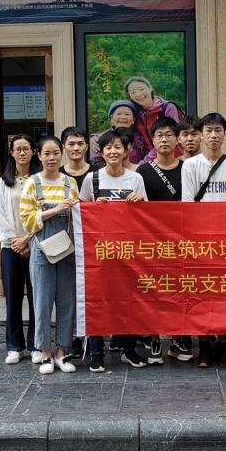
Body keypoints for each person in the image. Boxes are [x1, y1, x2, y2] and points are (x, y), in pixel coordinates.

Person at [79, 128, 150, 372]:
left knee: (128, 301)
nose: (113, 151)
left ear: (126, 150)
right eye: (108, 147)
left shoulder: (135, 178)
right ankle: (97, 352)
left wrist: (140, 201)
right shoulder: (92, 179)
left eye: (118, 147)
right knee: (97, 300)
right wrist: (93, 206)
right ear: (101, 151)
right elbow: (81, 212)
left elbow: (148, 214)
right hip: (99, 252)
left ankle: (128, 349)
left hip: (128, 251)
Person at [181, 112, 226, 368]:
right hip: (199, 241)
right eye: (208, 131)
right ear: (201, 135)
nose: (213, 135)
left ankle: (223, 343)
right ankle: (205, 345)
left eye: (218, 130)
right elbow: (187, 204)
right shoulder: (190, 165)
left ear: (225, 134)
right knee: (201, 293)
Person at [19, 136, 80, 375]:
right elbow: (26, 220)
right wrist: (53, 211)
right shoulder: (32, 183)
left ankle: (62, 352)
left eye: (56, 153)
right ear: (39, 156)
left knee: (67, 301)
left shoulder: (70, 183)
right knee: (42, 303)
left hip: (66, 250)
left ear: (61, 154)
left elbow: (79, 217)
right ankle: (44, 352)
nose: (52, 158)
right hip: (41, 250)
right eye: (47, 153)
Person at [136, 117, 192, 364]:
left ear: (177, 139)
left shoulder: (188, 168)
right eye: (159, 135)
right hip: (153, 242)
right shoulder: (143, 171)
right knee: (154, 292)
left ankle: (179, 338)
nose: (164, 139)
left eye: (169, 134)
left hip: (183, 240)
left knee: (182, 290)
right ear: (153, 140)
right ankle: (155, 339)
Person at [0, 134, 40, 365]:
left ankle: (36, 344)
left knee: (36, 298)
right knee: (12, 298)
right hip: (11, 248)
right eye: (17, 149)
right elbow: (0, 214)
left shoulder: (40, 180)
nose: (22, 153)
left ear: (33, 151)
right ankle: (14, 346)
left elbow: (42, 212)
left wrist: (29, 239)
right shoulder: (4, 182)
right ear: (11, 153)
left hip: (36, 245)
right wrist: (16, 241)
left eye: (26, 148)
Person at [59, 126, 91, 362]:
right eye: (71, 144)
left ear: (87, 146)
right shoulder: (57, 175)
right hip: (64, 242)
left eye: (80, 143)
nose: (76, 148)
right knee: (69, 292)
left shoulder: (96, 173)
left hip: (93, 244)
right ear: (64, 147)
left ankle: (93, 337)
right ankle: (72, 339)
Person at [125, 75, 182, 163]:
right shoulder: (135, 113)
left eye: (141, 89)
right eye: (133, 92)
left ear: (150, 88)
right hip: (153, 161)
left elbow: (171, 137)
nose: (138, 94)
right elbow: (120, 127)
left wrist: (145, 162)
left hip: (174, 158)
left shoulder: (167, 108)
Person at [90, 100, 143, 168]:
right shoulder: (98, 139)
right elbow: (96, 163)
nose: (123, 117)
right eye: (118, 114)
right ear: (111, 119)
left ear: (133, 120)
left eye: (127, 114)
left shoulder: (140, 138)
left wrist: (137, 168)